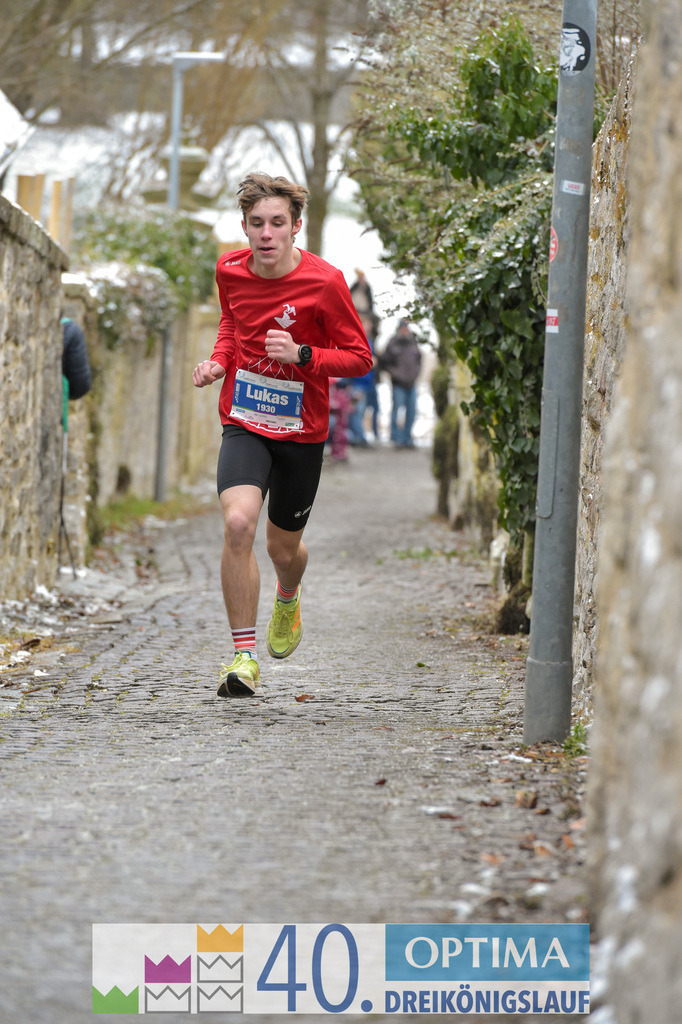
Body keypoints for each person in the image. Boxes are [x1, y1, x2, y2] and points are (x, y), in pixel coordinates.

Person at [192, 172, 372, 698]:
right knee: (238, 523)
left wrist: (304, 356)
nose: (266, 233)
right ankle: (243, 657)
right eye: (256, 224)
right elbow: (232, 324)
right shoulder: (229, 270)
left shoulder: (326, 282)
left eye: (277, 223)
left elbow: (360, 358)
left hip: (302, 432)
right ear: (244, 227)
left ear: (296, 227)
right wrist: (218, 363)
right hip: (245, 420)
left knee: (282, 549)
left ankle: (288, 594)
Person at [379, 319, 422, 448]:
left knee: (412, 411)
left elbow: (419, 360)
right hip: (398, 383)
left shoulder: (413, 343)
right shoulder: (392, 343)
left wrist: (415, 373)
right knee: (397, 410)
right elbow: (384, 362)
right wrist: (394, 373)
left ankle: (407, 438)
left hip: (411, 383)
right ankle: (396, 438)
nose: (405, 330)